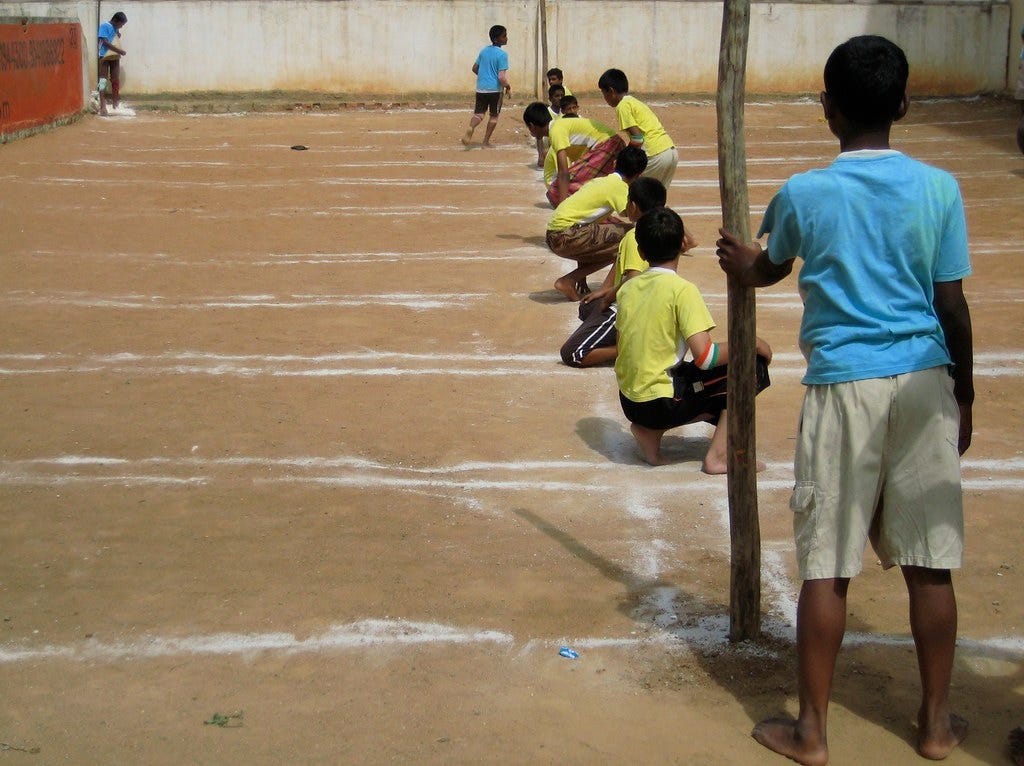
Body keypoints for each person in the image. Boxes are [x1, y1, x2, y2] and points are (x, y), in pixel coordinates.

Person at [715, 35, 974, 765]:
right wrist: (967, 393)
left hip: (842, 386)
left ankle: (813, 732)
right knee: (931, 564)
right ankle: (934, 723)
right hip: (925, 379)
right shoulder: (939, 188)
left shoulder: (803, 191)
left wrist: (743, 265)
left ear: (827, 108)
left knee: (826, 562)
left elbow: (769, 266)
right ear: (904, 103)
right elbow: (950, 304)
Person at [616, 207, 771, 472]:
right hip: (660, 403)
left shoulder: (627, 288)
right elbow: (705, 357)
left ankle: (650, 432)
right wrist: (752, 343)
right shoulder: (682, 290)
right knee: (751, 367)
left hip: (630, 401)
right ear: (682, 245)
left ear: (641, 252)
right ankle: (719, 456)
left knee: (688, 374)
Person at [560, 177, 666, 367]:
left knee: (573, 353)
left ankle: (630, 347)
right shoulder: (658, 230)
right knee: (587, 307)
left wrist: (609, 296)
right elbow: (621, 265)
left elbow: (633, 280)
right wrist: (604, 290)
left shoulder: (635, 237)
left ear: (633, 206)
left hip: (626, 308)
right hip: (648, 303)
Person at [545, 145, 647, 301]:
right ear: (639, 175)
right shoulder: (619, 187)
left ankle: (576, 279)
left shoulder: (600, 182)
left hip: (557, 235)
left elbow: (586, 225)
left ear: (614, 164)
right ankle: (576, 282)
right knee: (631, 236)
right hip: (567, 235)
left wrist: (583, 279)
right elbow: (634, 215)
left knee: (607, 235)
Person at [523, 99, 630, 207]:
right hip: (609, 146)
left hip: (608, 146)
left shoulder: (556, 130)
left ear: (532, 126)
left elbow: (563, 172)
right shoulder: (558, 126)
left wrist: (562, 205)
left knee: (557, 191)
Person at [598, 68, 678, 189]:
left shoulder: (622, 106)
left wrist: (622, 159)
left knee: (631, 189)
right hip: (670, 151)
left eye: (604, 93)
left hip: (654, 153)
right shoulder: (634, 101)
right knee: (655, 196)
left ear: (611, 91)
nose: (605, 98)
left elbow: (637, 138)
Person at [462, 25, 511, 147]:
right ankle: (485, 141)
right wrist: (508, 87)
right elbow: (501, 77)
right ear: (496, 39)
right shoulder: (502, 55)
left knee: (479, 114)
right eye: (504, 36)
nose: (506, 38)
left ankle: (471, 127)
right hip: (495, 90)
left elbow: (474, 68)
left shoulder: (483, 51)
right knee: (494, 116)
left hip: (481, 88)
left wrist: (484, 76)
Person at [97, 11, 127, 117]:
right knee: (103, 80)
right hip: (104, 56)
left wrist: (118, 34)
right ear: (116, 21)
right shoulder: (104, 26)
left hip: (114, 56)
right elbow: (105, 42)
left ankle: (115, 104)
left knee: (115, 79)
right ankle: (103, 106)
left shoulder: (115, 28)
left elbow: (113, 39)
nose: (121, 26)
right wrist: (119, 51)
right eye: (121, 24)